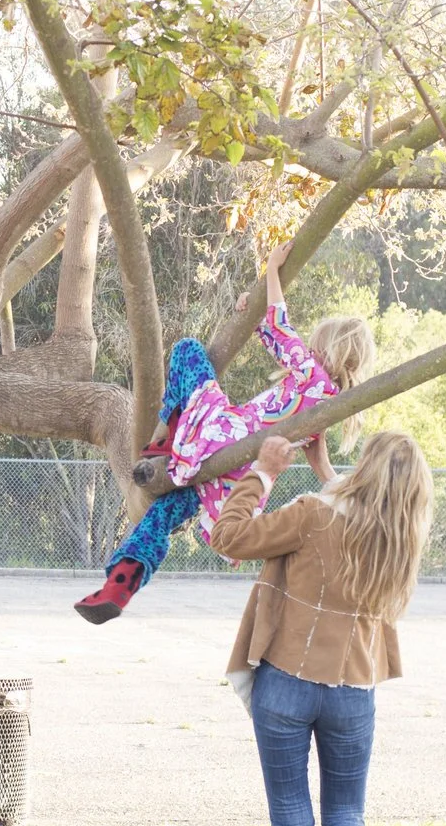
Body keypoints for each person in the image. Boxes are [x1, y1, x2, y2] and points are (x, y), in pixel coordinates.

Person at [210, 428, 433, 826]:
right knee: (346, 817)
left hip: (285, 684)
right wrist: (324, 465)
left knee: (291, 820)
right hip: (352, 690)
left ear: (368, 468)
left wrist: (263, 471)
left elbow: (228, 537)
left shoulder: (312, 515)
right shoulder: (399, 534)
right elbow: (353, 507)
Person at [75, 247, 375, 622]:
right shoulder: (323, 408)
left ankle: (167, 441)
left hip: (222, 437)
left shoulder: (313, 375)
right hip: (235, 478)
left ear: (330, 352)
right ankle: (120, 586)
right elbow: (321, 462)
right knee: (164, 511)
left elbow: (281, 329)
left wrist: (272, 272)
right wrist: (340, 487)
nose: (309, 349)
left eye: (316, 345)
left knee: (187, 350)